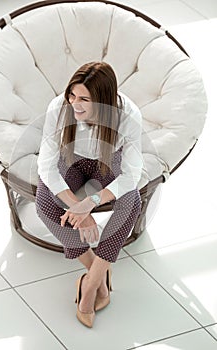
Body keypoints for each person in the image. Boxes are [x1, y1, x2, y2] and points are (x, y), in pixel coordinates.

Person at [35, 61, 143, 328]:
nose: (75, 104)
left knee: (132, 202)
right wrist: (79, 211)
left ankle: (92, 282)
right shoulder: (59, 108)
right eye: (72, 95)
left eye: (84, 99)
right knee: (45, 202)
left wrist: (92, 201)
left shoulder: (128, 114)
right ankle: (96, 271)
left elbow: (131, 174)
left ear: (104, 100)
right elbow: (46, 166)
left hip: (107, 163)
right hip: (71, 160)